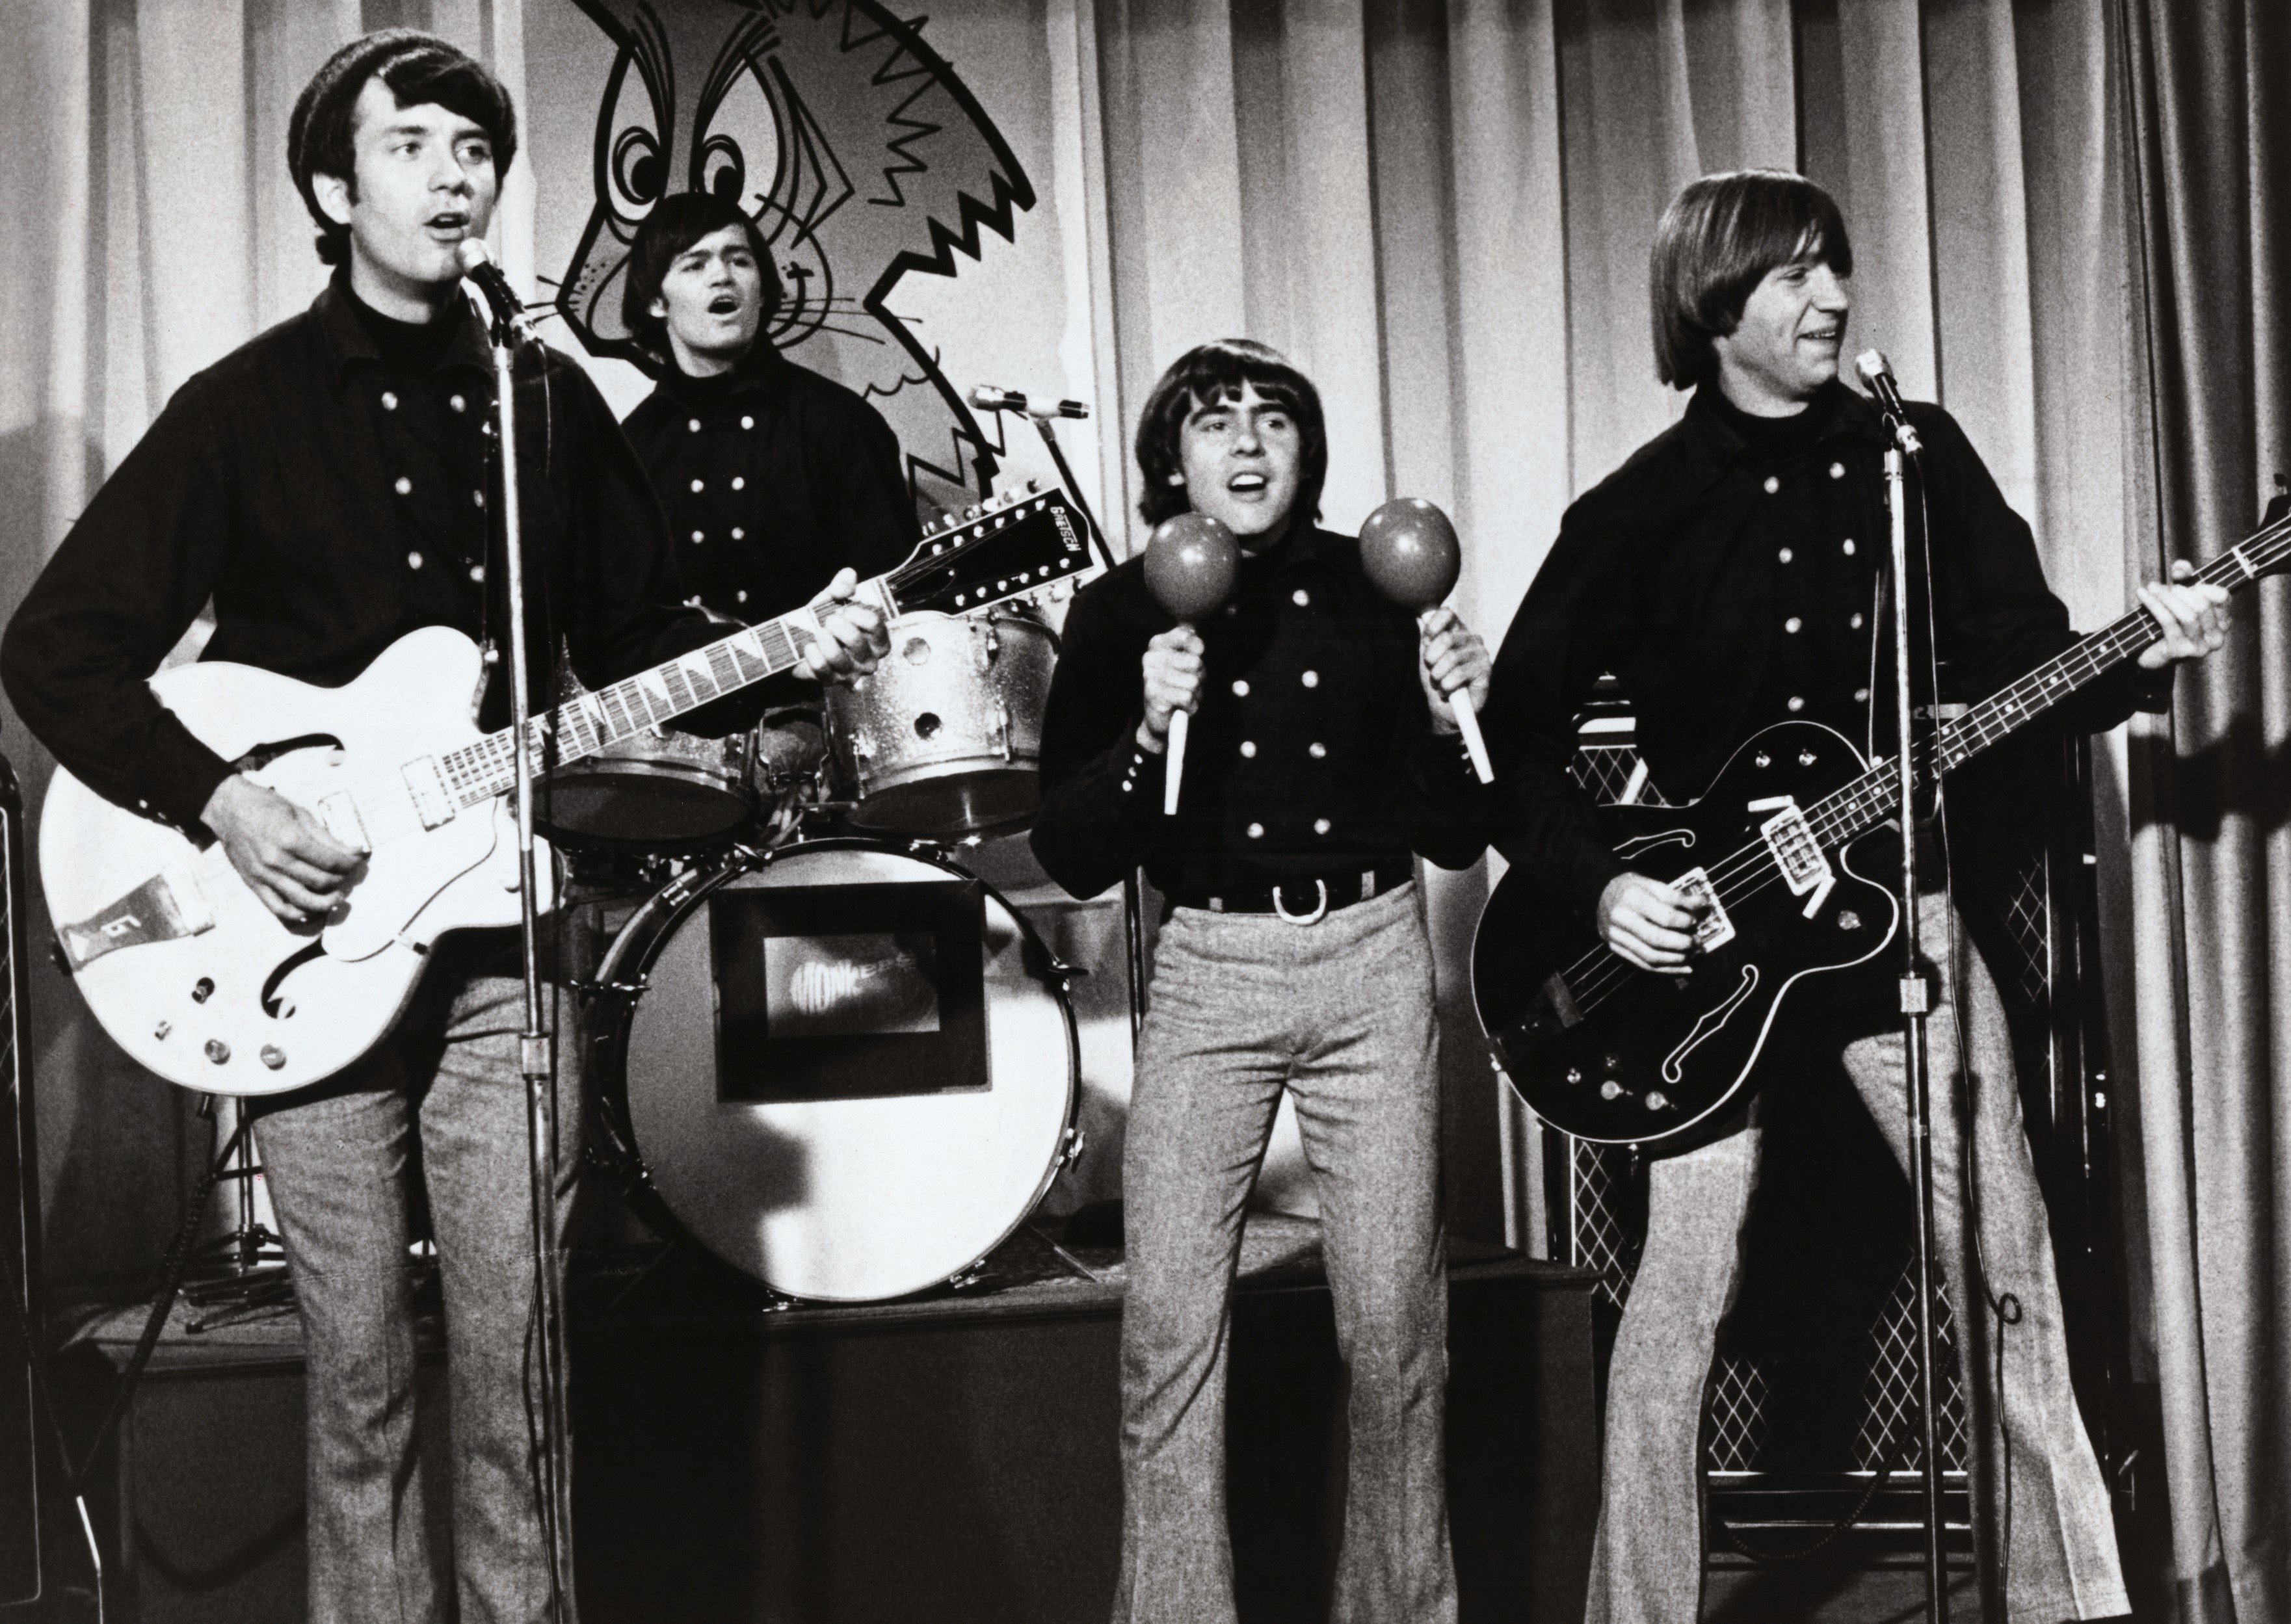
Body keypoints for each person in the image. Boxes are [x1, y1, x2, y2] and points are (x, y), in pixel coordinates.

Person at [0, 30, 885, 1623]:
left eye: (474, 148)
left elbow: (624, 642)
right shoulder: (245, 407)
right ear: (334, 190)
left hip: (500, 935)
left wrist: (785, 642)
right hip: (307, 947)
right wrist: (225, 796)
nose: (454, 174)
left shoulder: (539, 395)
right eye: (412, 146)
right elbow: (54, 642)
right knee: (355, 1368)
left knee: (523, 1354)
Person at [1479, 170, 2229, 1624]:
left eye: (1836, 267)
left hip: (1906, 918)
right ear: (1714, 307)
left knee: (2009, 1275)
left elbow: (2028, 658)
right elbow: (1512, 738)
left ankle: (2075, 1606)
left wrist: (2146, 653)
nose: (1831, 297)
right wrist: (1609, 885)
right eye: (1794, 276)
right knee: (1674, 1318)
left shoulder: (1914, 455)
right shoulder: (1635, 510)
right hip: (1710, 974)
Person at [1030, 339, 1493, 1624]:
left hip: (1369, 959)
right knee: (1169, 1335)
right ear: (1168, 458)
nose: (1245, 446)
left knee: (1398, 1337)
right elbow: (1071, 855)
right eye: (1214, 422)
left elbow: (1453, 835)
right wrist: (1141, 730)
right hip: (1209, 968)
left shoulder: (1379, 588)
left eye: (1273, 421)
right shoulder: (1125, 610)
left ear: (1308, 448)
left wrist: (1462, 708)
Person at [616, 189, 920, 641]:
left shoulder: (839, 422)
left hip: (823, 704)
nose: (722, 276)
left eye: (739, 260)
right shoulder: (631, 448)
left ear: (762, 292)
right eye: (694, 264)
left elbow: (903, 602)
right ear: (655, 301)